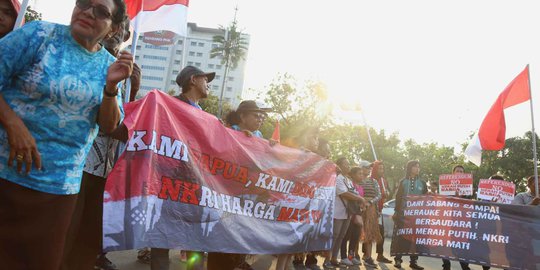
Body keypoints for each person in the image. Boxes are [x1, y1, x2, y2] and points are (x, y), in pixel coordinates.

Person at [0, 0, 130, 269]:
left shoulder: (110, 67)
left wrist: (110, 88)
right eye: (84, 2)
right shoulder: (38, 36)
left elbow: (109, 125)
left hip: (58, 190)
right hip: (5, 174)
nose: (87, 12)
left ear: (113, 28)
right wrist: (13, 124)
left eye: (101, 11)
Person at [60, 16, 139, 270]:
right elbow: (107, 124)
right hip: (77, 166)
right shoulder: (87, 62)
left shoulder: (124, 70)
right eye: (118, 29)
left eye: (124, 31)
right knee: (65, 234)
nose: (119, 35)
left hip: (105, 172)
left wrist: (133, 88)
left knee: (89, 238)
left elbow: (125, 127)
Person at [150, 65, 215, 270]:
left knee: (195, 243)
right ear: (193, 80)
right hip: (170, 186)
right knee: (162, 241)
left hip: (195, 188)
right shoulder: (169, 105)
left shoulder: (205, 115)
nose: (208, 85)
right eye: (206, 80)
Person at [323, 157, 365, 269]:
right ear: (339, 166)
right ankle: (327, 260)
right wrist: (359, 198)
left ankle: (333, 259)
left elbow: (354, 192)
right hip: (337, 211)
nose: (348, 166)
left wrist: (359, 199)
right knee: (335, 235)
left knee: (341, 236)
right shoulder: (338, 178)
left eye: (348, 164)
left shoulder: (348, 180)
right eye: (345, 164)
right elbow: (343, 193)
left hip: (347, 212)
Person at [393, 160, 426, 270]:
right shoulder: (403, 182)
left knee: (415, 239)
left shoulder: (423, 183)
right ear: (410, 168)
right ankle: (398, 260)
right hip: (403, 215)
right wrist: (396, 212)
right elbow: (398, 198)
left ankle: (413, 262)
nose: (417, 169)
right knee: (401, 237)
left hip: (417, 216)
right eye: (415, 166)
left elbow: (426, 199)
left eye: (418, 167)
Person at [441, 165, 472, 270]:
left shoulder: (468, 188)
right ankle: (446, 266)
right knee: (445, 244)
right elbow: (443, 200)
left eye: (461, 171)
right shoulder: (446, 185)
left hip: (461, 220)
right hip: (448, 218)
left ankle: (465, 266)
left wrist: (460, 196)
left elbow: (469, 202)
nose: (459, 172)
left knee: (461, 244)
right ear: (453, 173)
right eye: (457, 171)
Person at [340, 163, 370, 267]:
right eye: (359, 174)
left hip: (358, 214)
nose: (362, 175)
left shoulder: (360, 187)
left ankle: (351, 257)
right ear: (352, 175)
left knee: (355, 237)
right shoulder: (349, 185)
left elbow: (362, 200)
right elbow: (351, 199)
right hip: (350, 214)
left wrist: (363, 206)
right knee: (346, 236)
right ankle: (343, 257)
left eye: (362, 173)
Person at [358, 160, 382, 268]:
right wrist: (362, 202)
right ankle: (353, 256)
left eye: (369, 168)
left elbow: (379, 195)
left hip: (371, 210)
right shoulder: (357, 180)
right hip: (359, 208)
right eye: (366, 167)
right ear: (361, 168)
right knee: (356, 233)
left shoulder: (374, 181)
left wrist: (370, 202)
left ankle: (368, 257)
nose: (369, 170)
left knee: (370, 233)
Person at [368, 160, 393, 264]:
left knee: (380, 233)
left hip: (380, 211)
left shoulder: (384, 181)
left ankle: (380, 255)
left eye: (383, 168)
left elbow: (385, 194)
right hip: (371, 210)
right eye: (379, 168)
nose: (382, 171)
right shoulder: (369, 180)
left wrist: (386, 195)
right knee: (369, 233)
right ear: (374, 169)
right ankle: (366, 255)